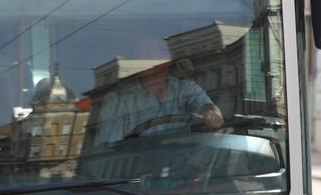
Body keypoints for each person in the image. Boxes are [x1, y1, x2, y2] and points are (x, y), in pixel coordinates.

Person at [88, 42, 224, 147]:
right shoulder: (117, 100)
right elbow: (109, 150)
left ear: (168, 58)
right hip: (131, 176)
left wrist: (212, 115)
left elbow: (207, 106)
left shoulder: (186, 89)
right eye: (143, 54)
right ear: (136, 60)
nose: (150, 60)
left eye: (155, 53)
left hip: (181, 173)